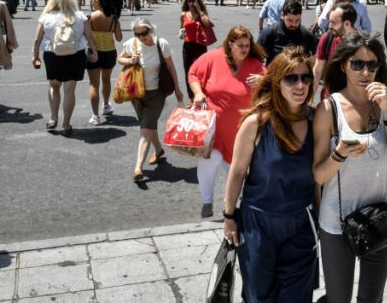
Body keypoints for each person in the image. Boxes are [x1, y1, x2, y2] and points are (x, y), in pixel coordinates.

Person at [313, 33, 387, 303]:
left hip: (380, 217)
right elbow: (319, 174)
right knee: (338, 299)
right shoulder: (328, 109)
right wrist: (340, 154)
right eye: (357, 64)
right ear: (343, 65)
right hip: (338, 221)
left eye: (372, 65)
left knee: (371, 298)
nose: (365, 72)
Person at [223, 47, 318, 302]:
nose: (300, 85)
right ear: (276, 81)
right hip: (258, 224)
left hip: (301, 223)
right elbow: (237, 172)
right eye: (291, 78)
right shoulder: (257, 122)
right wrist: (229, 216)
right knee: (259, 296)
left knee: (298, 296)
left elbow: (321, 177)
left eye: (305, 78)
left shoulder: (316, 120)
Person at [187, 26, 266, 218]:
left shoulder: (255, 65)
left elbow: (276, 82)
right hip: (213, 129)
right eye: (240, 45)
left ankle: (229, 206)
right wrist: (197, 92)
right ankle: (207, 201)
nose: (245, 49)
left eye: (248, 45)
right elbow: (193, 74)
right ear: (230, 44)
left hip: (240, 131)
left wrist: (264, 80)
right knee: (208, 161)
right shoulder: (213, 57)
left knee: (235, 169)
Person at [117, 19, 184, 183]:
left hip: (157, 94)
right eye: (137, 34)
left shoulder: (162, 44)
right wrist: (130, 60)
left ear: (150, 30)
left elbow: (171, 67)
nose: (141, 37)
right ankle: (159, 150)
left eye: (144, 34)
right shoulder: (131, 44)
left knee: (145, 129)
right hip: (137, 92)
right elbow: (120, 58)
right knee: (148, 124)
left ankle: (138, 167)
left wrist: (177, 89)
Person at [31, 0, 97, 136]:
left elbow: (37, 40)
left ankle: (53, 117)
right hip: (75, 53)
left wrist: (35, 56)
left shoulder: (46, 17)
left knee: (54, 86)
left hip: (52, 53)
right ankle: (66, 123)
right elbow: (89, 36)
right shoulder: (80, 16)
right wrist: (94, 51)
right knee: (69, 90)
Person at [86, 0, 122, 124]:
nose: (91, 1)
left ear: (98, 1)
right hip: (109, 52)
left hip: (93, 51)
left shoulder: (90, 17)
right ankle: (106, 105)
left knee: (93, 84)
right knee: (106, 79)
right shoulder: (113, 18)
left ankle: (95, 116)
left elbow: (86, 35)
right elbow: (119, 38)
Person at [313, 2, 359, 94]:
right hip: (329, 98)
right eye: (329, 21)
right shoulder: (326, 38)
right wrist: (311, 97)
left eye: (333, 22)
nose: (329, 26)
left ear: (347, 24)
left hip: (353, 102)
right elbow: (318, 69)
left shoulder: (362, 44)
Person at [257, 0, 318, 65]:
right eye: (290, 20)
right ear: (282, 15)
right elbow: (256, 59)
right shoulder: (269, 33)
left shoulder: (307, 35)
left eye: (297, 20)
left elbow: (317, 59)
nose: (294, 24)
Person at [178, 0, 216, 93]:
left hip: (200, 45)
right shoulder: (183, 14)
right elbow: (181, 28)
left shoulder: (202, 12)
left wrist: (199, 9)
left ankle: (202, 91)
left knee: (202, 70)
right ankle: (191, 96)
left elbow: (207, 24)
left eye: (193, 0)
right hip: (188, 45)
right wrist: (180, 33)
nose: (191, 3)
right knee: (188, 71)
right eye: (189, 0)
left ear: (197, 1)